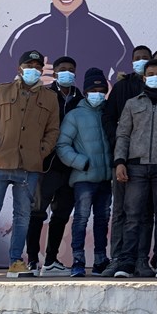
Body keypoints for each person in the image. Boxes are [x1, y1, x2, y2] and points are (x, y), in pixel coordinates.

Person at [0, 50, 60, 279]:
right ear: (19, 69)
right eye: (29, 65)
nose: (33, 69)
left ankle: (16, 261)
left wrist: (41, 151)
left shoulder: (49, 98)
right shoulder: (2, 90)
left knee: (22, 215)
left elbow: (53, 130)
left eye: (37, 66)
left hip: (29, 167)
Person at [0, 0, 133, 87]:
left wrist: (112, 89)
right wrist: (28, 83)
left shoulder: (109, 30)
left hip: (89, 107)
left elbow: (132, 73)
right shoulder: (27, 32)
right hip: (41, 106)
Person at [113, 59, 157, 278]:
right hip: (135, 167)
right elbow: (123, 134)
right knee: (133, 216)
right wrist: (120, 161)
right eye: (151, 74)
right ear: (144, 77)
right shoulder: (132, 103)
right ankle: (127, 263)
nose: (155, 77)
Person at [100, 44, 155, 278]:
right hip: (123, 159)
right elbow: (108, 117)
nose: (141, 61)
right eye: (137, 58)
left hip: (150, 161)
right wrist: (120, 145)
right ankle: (118, 259)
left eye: (145, 58)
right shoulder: (122, 87)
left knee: (145, 212)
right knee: (121, 211)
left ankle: (141, 260)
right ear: (132, 61)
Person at [27, 55, 83, 276]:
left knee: (61, 215)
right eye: (62, 69)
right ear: (55, 72)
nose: (67, 72)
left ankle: (51, 261)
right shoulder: (44, 95)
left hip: (71, 167)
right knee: (37, 213)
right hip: (46, 165)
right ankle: (32, 260)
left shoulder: (81, 98)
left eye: (71, 69)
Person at [55, 68, 113, 277]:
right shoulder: (75, 115)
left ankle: (100, 260)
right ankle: (78, 261)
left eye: (101, 90)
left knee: (102, 220)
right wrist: (82, 162)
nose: (98, 94)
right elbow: (62, 145)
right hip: (84, 179)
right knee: (81, 219)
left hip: (106, 179)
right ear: (86, 92)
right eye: (93, 90)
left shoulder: (109, 113)